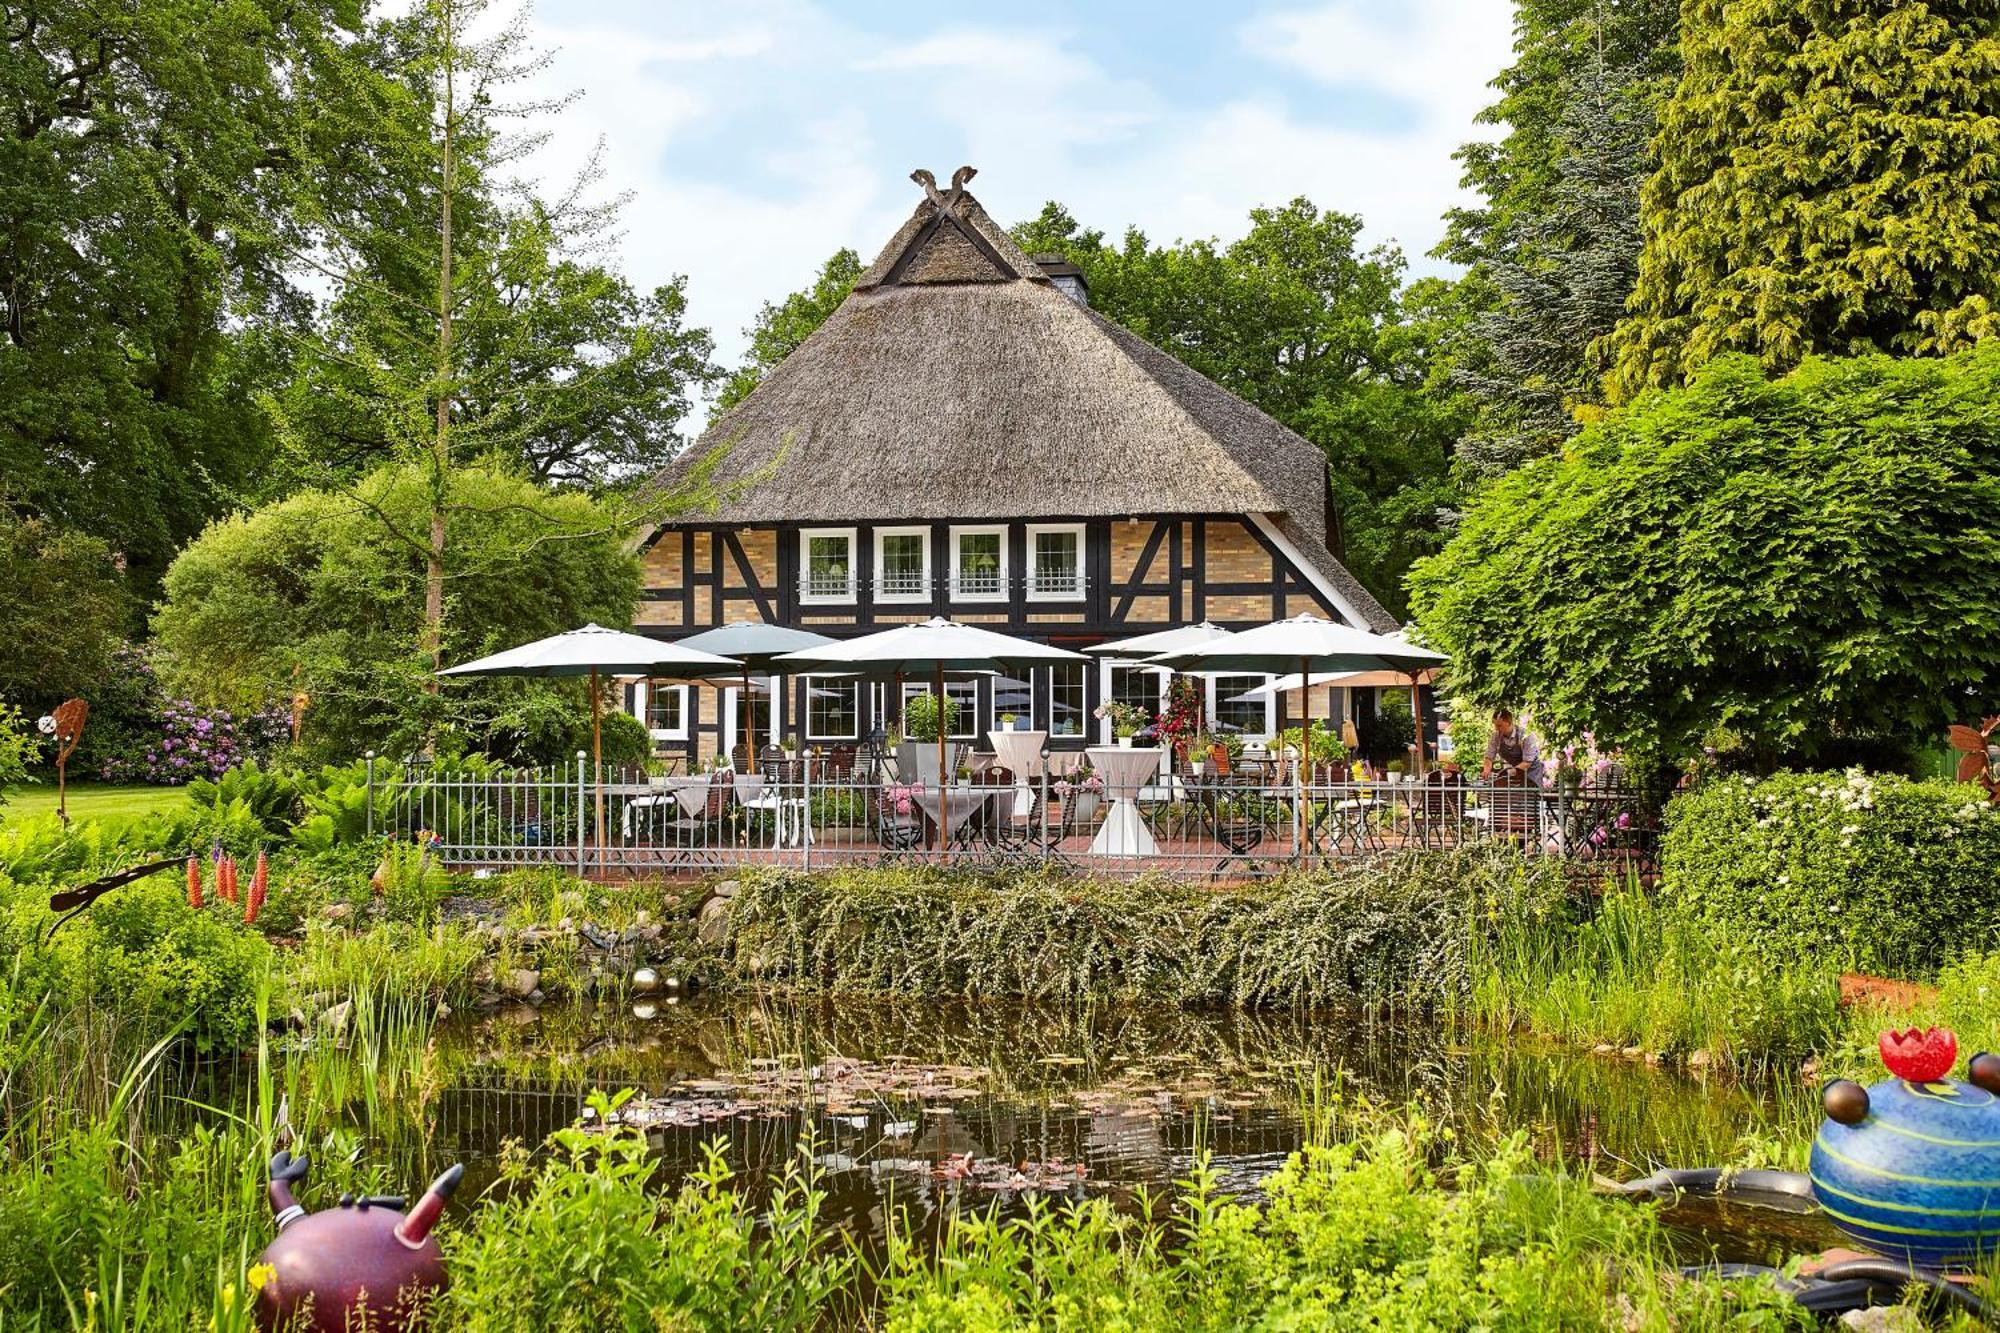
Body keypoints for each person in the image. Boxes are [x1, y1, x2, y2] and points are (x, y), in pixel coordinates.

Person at [1481, 710, 1545, 787]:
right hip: (1515, 770)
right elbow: (1489, 757)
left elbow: (1527, 762)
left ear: (1509, 722)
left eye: (1499, 725)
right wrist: (1486, 770)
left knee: (1531, 795)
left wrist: (1507, 773)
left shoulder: (1526, 735)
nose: (1496, 728)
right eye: (1495, 725)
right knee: (1514, 796)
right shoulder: (1496, 736)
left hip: (1532, 771)